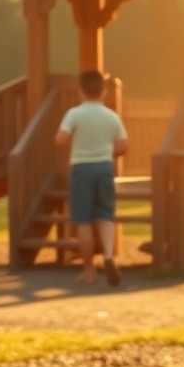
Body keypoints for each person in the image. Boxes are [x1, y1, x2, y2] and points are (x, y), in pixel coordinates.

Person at [55, 69, 128, 287]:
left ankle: (88, 271)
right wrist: (107, 153)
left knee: (83, 220)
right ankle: (108, 255)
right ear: (104, 92)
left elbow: (60, 139)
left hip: (82, 168)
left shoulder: (74, 114)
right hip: (105, 167)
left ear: (80, 91)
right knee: (105, 215)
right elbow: (124, 146)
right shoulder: (111, 116)